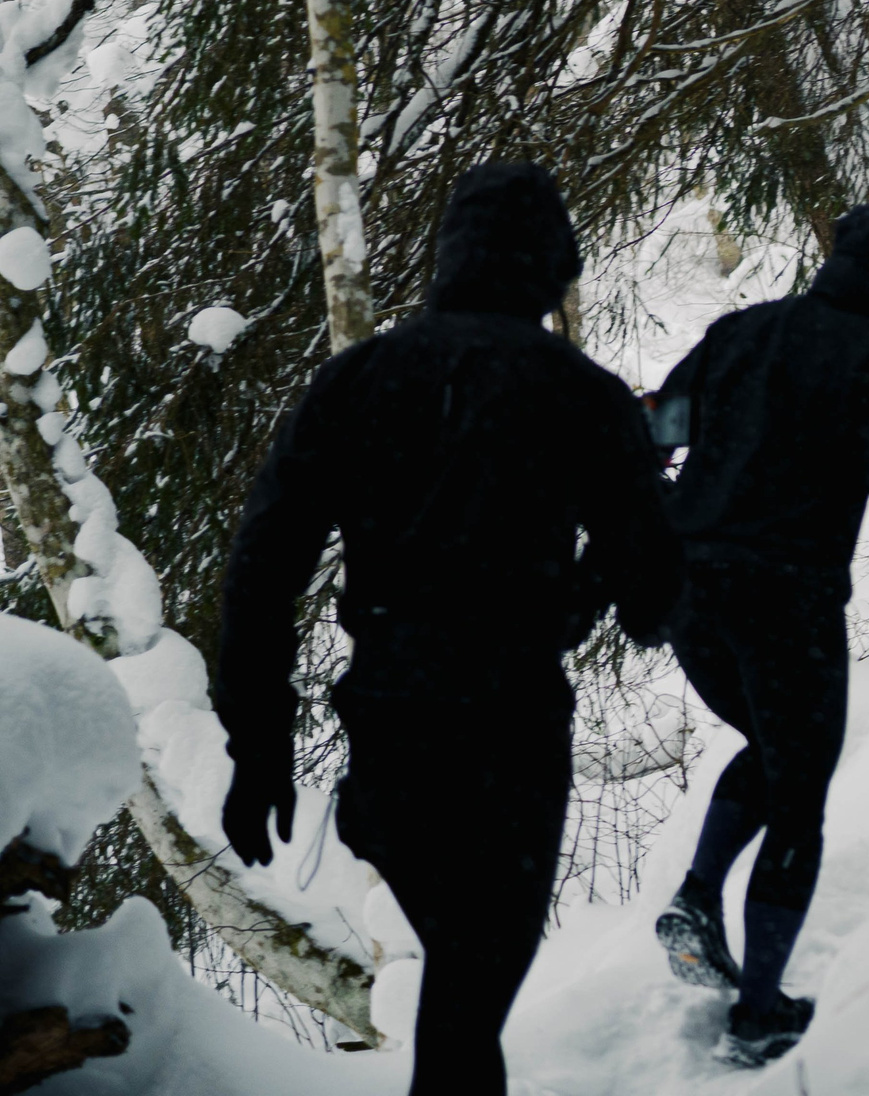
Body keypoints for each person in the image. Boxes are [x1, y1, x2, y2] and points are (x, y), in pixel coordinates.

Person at [215, 163, 681, 1096]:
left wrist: (259, 746)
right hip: (511, 733)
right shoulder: (581, 393)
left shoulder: (355, 380)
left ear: (448, 259)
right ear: (556, 266)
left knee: (462, 1004)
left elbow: (261, 571)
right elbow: (653, 599)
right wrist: (605, 562)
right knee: (469, 1006)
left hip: (391, 730)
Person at [646, 203, 869, 1068]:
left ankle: (698, 898)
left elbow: (657, 428)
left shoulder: (740, 331)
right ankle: (757, 1014)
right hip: (784, 604)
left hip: (688, 589)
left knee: (773, 751)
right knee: (800, 792)